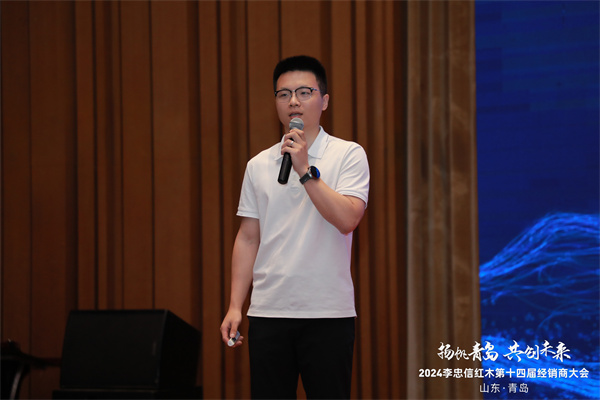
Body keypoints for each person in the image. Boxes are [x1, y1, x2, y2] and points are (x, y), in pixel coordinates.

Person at [220, 55, 370, 399]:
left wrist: (304, 170)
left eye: (304, 92)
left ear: (324, 100)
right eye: (284, 94)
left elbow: (348, 219)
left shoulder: (348, 154)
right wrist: (234, 305)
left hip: (327, 313)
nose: (293, 102)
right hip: (268, 312)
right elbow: (248, 238)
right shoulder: (258, 165)